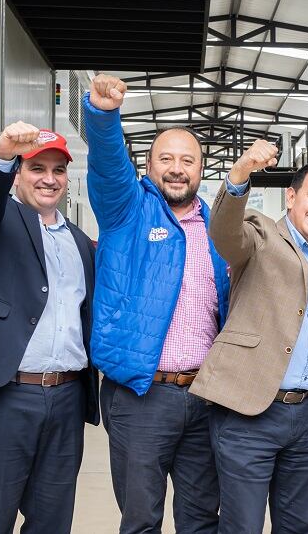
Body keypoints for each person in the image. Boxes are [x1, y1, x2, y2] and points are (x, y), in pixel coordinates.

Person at [82, 74, 231, 534]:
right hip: (142, 395)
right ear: (147, 165)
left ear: (201, 170)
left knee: (201, 519)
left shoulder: (218, 229)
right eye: (165, 158)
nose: (176, 168)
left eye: (188, 160)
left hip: (205, 396)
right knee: (141, 518)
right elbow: (107, 167)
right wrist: (104, 116)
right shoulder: (127, 209)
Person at [191, 139, 308, 534]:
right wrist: (240, 175)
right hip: (249, 411)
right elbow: (225, 233)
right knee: (241, 525)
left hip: (307, 414)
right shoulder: (259, 234)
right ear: (291, 196)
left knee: (298, 526)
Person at [0, 126, 98, 533]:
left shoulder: (80, 242)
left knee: (52, 521)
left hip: (68, 396)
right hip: (8, 395)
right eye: (37, 167)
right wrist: (2, 155)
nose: (48, 178)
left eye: (58, 170)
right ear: (18, 174)